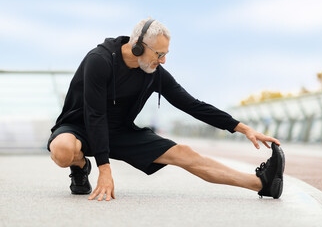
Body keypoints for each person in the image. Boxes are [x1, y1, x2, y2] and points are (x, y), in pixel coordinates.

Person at [47, 18, 285, 202]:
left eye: (165, 55)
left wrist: (243, 128)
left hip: (118, 132)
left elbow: (192, 105)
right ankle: (80, 168)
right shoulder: (99, 60)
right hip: (79, 126)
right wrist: (104, 169)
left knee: (184, 153)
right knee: (63, 149)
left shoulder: (153, 73)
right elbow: (94, 114)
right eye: (159, 54)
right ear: (138, 47)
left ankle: (261, 184)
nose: (162, 61)